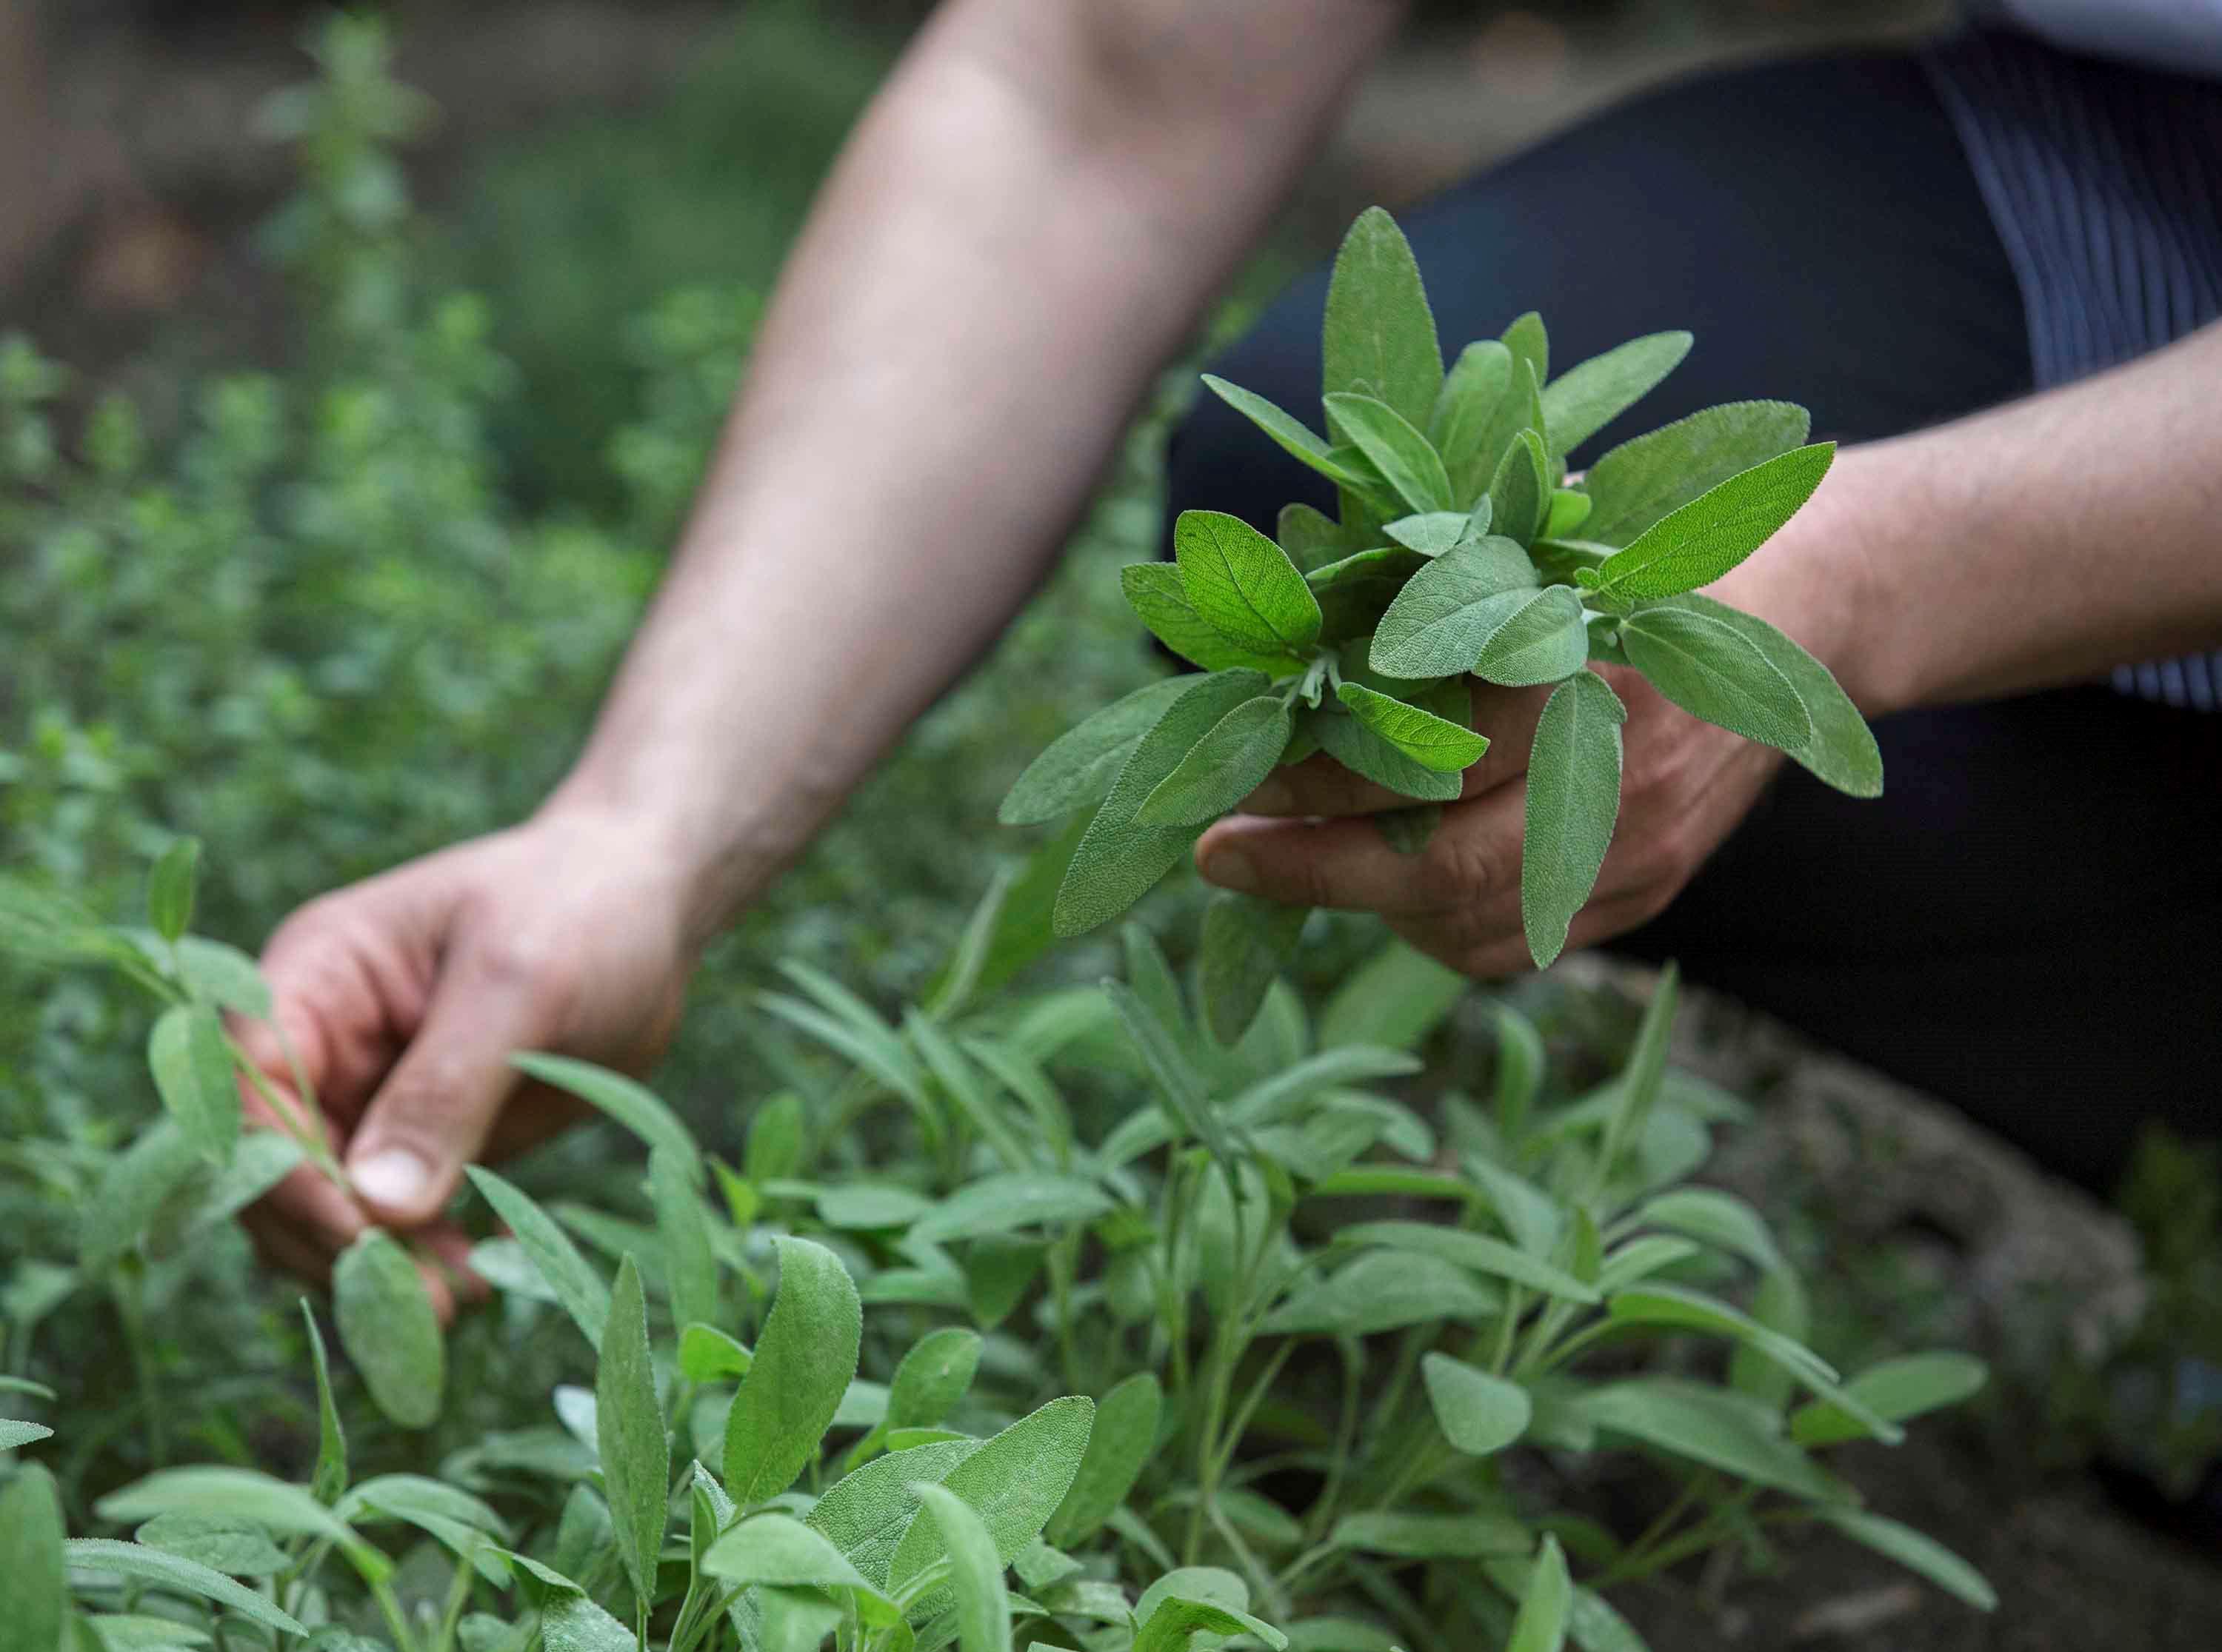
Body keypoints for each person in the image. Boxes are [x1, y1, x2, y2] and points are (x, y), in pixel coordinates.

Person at [233, 0, 2222, 1311]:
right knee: (1423, 519)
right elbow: (1093, 88)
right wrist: (637, 833)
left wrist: (1853, 584)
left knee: (1626, 551)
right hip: (2138, 151)